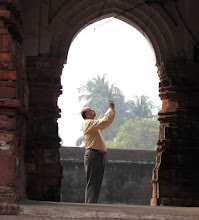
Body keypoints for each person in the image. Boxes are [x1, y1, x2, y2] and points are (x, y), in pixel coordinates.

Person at [81, 100, 115, 203]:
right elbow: (104, 122)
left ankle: (92, 203)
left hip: (98, 155)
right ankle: (90, 204)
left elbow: (106, 123)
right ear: (86, 114)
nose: (93, 110)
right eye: (90, 110)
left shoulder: (94, 126)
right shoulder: (88, 123)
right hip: (93, 154)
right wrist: (110, 109)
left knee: (96, 182)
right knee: (93, 182)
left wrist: (111, 111)